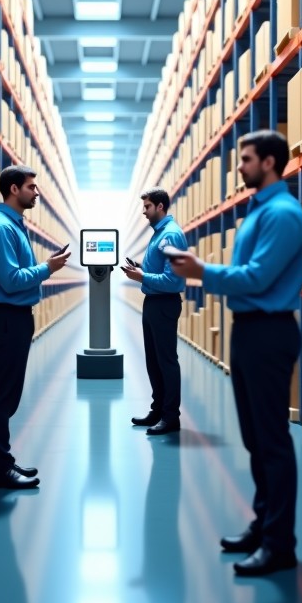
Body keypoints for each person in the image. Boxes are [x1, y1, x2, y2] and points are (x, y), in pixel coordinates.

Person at [165, 130, 302, 576]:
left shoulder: (283, 215)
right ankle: (263, 525)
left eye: (245, 159)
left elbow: (257, 278)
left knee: (271, 442)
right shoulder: (259, 212)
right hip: (248, 331)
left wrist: (201, 272)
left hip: (269, 332)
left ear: (269, 162)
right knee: (254, 439)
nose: (239, 167)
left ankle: (279, 543)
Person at [0, 164, 70, 489]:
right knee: (1, 398)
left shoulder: (14, 225)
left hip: (14, 319)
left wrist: (44, 266)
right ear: (14, 189)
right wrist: (48, 267)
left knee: (8, 396)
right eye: (31, 187)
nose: (36, 192)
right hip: (6, 319)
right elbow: (12, 280)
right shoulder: (1, 228)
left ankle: (3, 461)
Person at [120, 187, 188, 436]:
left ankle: (171, 417)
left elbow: (174, 281)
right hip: (153, 302)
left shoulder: (171, 236)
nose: (144, 212)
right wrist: (141, 268)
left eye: (147, 207)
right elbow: (159, 269)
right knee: (153, 361)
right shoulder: (159, 234)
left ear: (160, 206)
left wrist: (142, 276)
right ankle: (157, 410)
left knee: (167, 362)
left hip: (165, 304)